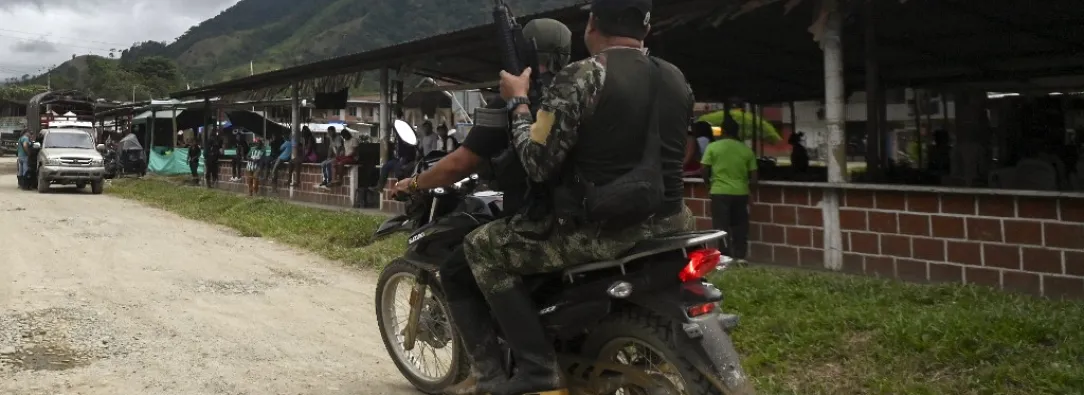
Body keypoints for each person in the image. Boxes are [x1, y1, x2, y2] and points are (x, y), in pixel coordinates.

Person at [394, 1, 696, 392]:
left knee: (480, 249)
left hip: (601, 229)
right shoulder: (675, 78)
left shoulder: (585, 77)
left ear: (592, 24)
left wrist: (518, 100)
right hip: (672, 223)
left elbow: (535, 163)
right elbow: (682, 148)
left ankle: (532, 370)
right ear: (646, 28)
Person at [701, 113, 757, 265]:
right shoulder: (746, 150)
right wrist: (749, 190)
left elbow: (704, 169)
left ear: (723, 131)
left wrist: (709, 185)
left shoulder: (713, 147)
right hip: (741, 193)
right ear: (736, 132)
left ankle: (725, 258)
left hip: (719, 192)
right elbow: (754, 175)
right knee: (740, 226)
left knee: (721, 227)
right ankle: (740, 256)